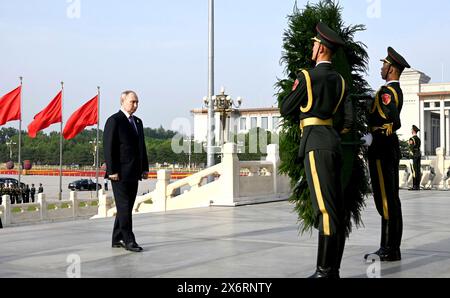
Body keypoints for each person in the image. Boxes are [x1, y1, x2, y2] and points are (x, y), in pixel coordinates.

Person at [280, 23, 352, 278]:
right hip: (332, 143)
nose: (312, 47)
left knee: (324, 209)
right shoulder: (341, 81)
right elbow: (347, 120)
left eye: (314, 44)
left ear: (321, 48)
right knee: (335, 209)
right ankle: (333, 269)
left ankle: (324, 272)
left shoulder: (308, 76)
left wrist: (299, 92)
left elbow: (286, 108)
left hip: (315, 145)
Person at [364, 47, 410, 262]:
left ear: (391, 68)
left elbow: (393, 121)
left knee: (386, 200)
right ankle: (389, 247)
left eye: (384, 64)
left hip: (382, 148)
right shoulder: (391, 91)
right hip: (386, 147)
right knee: (389, 199)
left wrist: (375, 134)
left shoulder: (387, 92)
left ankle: (390, 249)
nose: (381, 68)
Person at [104, 90, 149, 253]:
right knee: (124, 207)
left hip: (134, 172)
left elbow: (141, 147)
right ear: (122, 101)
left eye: (137, 102)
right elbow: (109, 148)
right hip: (119, 173)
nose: (135, 105)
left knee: (127, 206)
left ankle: (117, 238)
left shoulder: (137, 122)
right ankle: (128, 239)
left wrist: (144, 168)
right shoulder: (114, 120)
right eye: (132, 102)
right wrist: (112, 170)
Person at [408, 125, 422, 190]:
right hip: (418, 154)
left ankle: (415, 186)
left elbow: (411, 148)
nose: (411, 131)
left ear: (413, 131)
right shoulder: (418, 139)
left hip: (413, 156)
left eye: (411, 130)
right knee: (418, 170)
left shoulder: (412, 139)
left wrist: (410, 156)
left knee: (414, 171)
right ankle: (417, 185)